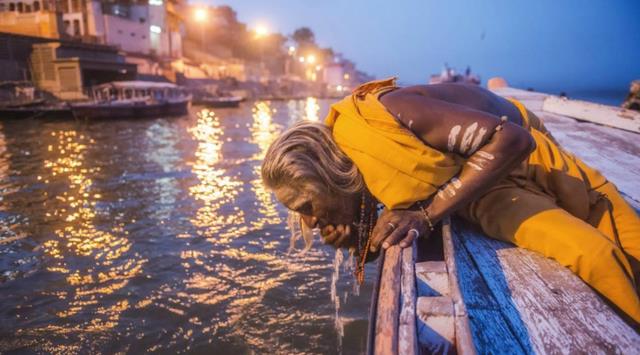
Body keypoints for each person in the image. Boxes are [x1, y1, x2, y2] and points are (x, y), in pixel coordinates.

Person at [261, 77, 640, 325]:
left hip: (522, 146)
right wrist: (363, 242)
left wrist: (426, 215)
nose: (309, 222)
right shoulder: (362, 167)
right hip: (477, 183)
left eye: (306, 207)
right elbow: (395, 203)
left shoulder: (385, 115)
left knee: (616, 243)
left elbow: (512, 141)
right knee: (590, 251)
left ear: (329, 174)